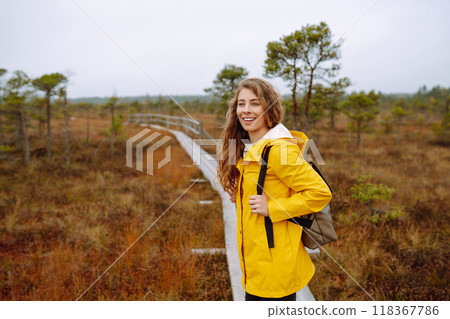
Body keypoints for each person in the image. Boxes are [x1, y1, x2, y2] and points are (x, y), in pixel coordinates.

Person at [216, 78, 332, 301]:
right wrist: (240, 195)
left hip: (274, 268)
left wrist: (273, 208)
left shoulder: (278, 150)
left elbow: (320, 192)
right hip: (258, 265)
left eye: (255, 103)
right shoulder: (252, 149)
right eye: (241, 104)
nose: (246, 110)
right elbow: (269, 187)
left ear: (269, 108)